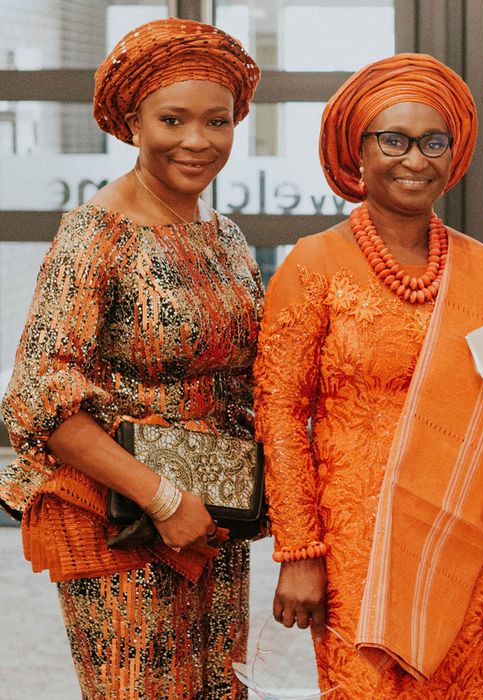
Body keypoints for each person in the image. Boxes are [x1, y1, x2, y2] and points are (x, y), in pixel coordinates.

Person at [253, 53, 483, 697]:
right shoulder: (314, 266)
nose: (414, 159)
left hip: (465, 531)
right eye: (393, 139)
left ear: (455, 155)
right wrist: (300, 551)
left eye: (433, 141)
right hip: (354, 547)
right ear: (356, 153)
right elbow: (279, 413)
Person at [0, 18, 263, 699]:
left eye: (218, 120)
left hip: (214, 514)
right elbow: (40, 394)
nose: (197, 140)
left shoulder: (225, 236)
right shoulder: (96, 234)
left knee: (215, 690)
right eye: (173, 119)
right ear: (133, 121)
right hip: (123, 521)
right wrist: (161, 495)